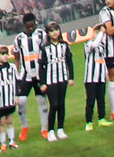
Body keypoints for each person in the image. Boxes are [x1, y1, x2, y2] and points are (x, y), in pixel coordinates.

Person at [11, 12, 44, 142]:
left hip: (39, 74)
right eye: (28, 26)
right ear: (24, 25)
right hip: (25, 75)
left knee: (42, 102)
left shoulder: (41, 34)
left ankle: (45, 129)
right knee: (22, 102)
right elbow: (16, 57)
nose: (31, 28)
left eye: (32, 25)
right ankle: (24, 127)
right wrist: (17, 74)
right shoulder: (19, 39)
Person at [40, 21, 73, 141]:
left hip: (62, 78)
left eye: (56, 30)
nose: (54, 33)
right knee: (53, 104)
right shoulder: (45, 48)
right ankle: (51, 131)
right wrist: (42, 83)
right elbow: (41, 66)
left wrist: (71, 77)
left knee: (61, 104)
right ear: (48, 34)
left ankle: (60, 128)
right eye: (51, 31)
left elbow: (69, 62)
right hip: (50, 80)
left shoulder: (65, 45)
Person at [80, 19, 111, 130]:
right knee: (90, 100)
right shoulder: (88, 44)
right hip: (90, 79)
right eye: (97, 31)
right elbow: (94, 45)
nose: (99, 33)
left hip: (100, 77)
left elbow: (103, 60)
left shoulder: (102, 46)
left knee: (101, 99)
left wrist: (106, 73)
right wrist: (102, 33)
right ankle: (88, 122)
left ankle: (101, 119)